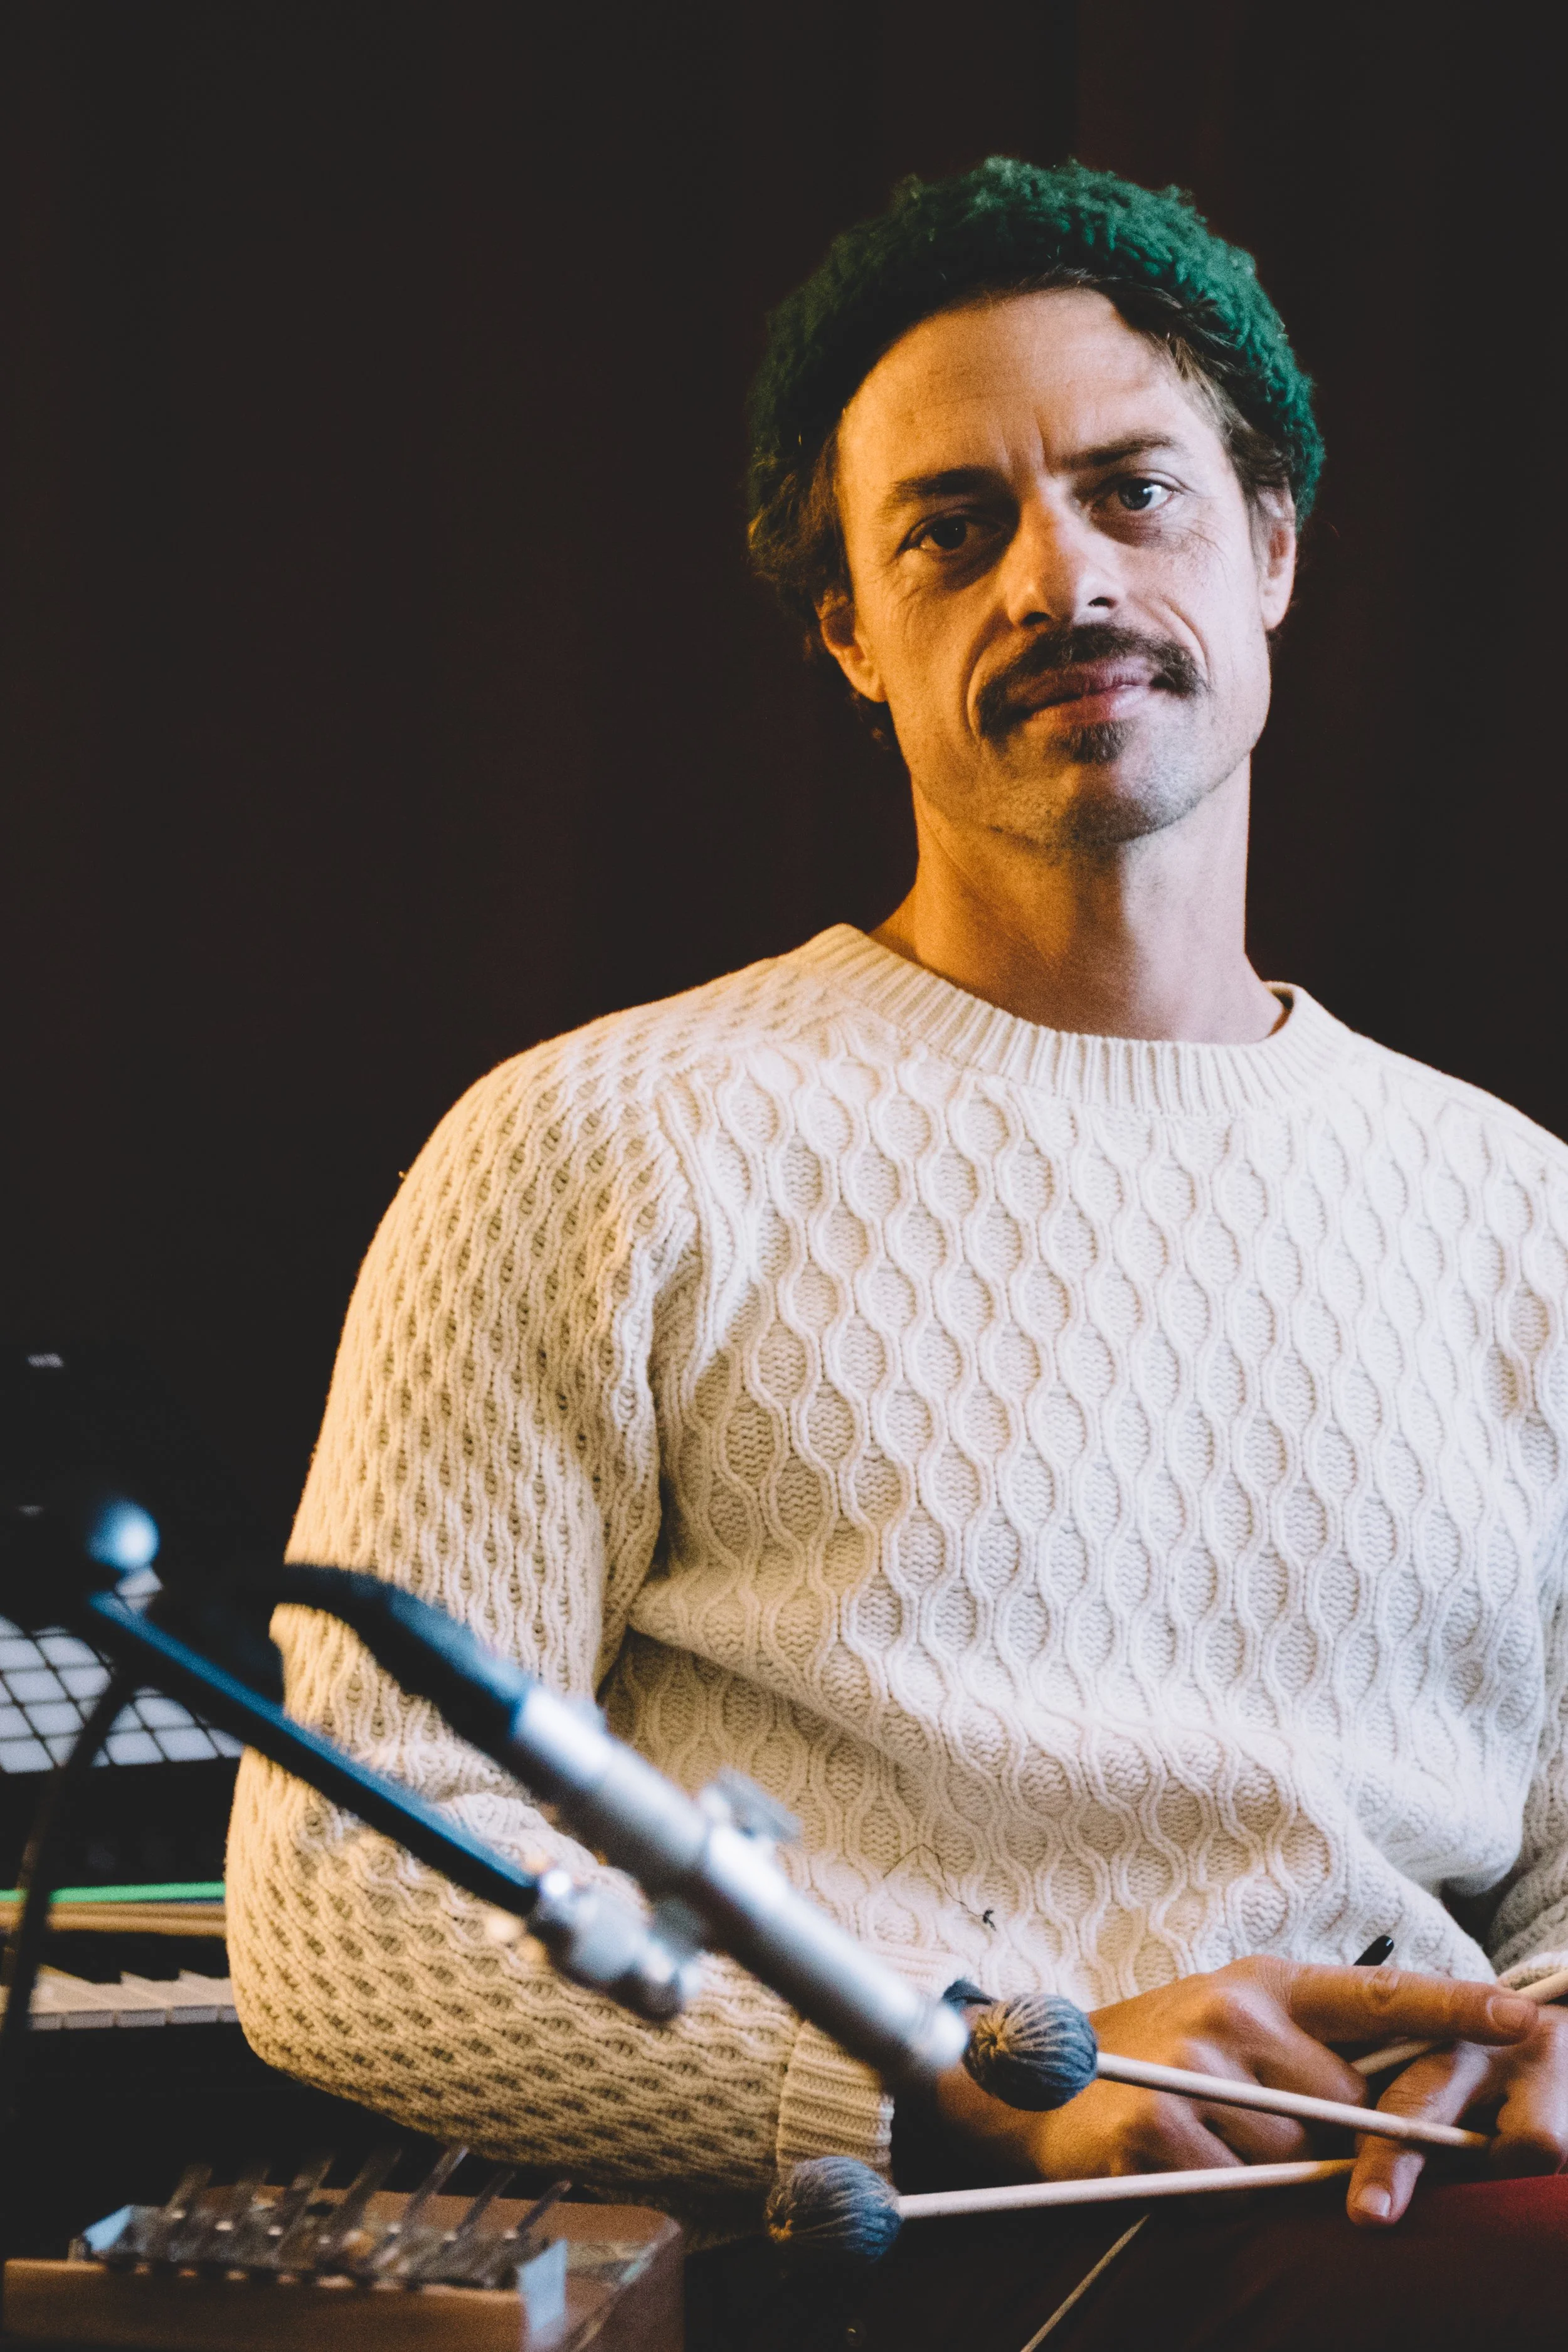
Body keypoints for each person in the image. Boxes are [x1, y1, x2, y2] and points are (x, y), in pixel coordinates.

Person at [226, 161, 1568, 2344]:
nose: (1061, 575)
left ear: (1270, 548)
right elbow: (342, 1898)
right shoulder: (592, 1144)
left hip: (1422, 2212)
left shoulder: (1523, 1210)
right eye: (949, 529)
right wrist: (952, 2070)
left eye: (1134, 492)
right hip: (898, 2245)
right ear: (854, 634)